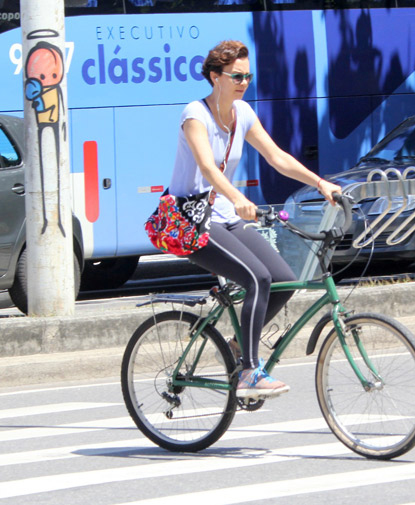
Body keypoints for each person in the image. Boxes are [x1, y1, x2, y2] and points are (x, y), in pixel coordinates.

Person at [168, 40, 341, 399]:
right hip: (192, 220)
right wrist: (238, 197)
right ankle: (249, 371)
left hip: (225, 216)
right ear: (216, 77)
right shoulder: (194, 116)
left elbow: (277, 157)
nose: (244, 81)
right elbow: (206, 167)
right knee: (257, 278)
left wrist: (322, 183)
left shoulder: (243, 113)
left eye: (248, 75)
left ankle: (235, 346)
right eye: (236, 75)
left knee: (284, 279)